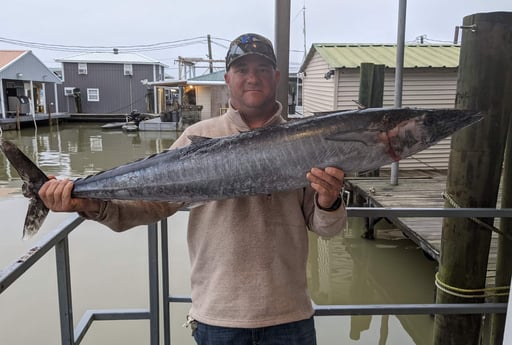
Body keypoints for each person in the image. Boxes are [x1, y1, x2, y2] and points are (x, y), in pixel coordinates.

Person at [38, 33, 347, 345]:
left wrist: (329, 199)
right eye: (242, 70)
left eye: (262, 69)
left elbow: (326, 228)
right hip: (218, 318)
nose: (252, 78)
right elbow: (150, 205)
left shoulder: (307, 140)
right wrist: (86, 202)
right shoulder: (197, 136)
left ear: (277, 77)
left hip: (290, 317)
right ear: (228, 78)